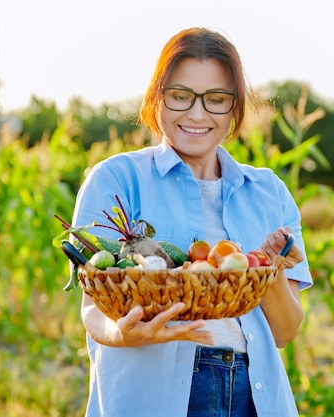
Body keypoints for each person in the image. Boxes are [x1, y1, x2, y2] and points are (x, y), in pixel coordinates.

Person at [71, 27, 313, 417]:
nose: (197, 114)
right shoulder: (117, 179)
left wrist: (271, 271)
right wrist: (121, 333)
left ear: (235, 107)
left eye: (216, 100)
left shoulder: (269, 191)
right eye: (180, 96)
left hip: (254, 396)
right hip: (153, 399)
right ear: (156, 99)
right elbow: (93, 306)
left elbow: (284, 332)